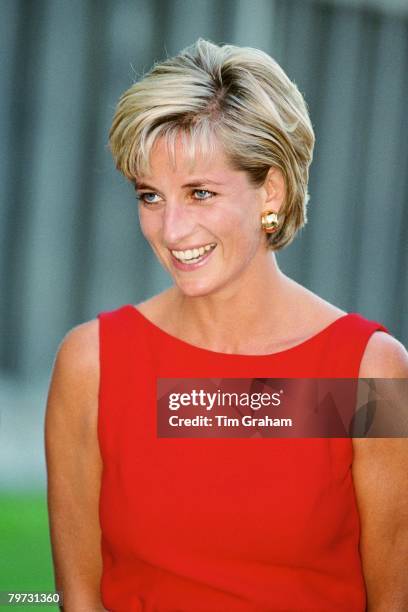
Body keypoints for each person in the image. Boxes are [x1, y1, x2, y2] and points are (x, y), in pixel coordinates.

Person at [45, 38, 408, 611]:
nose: (171, 230)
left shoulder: (367, 370)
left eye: (201, 193)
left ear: (272, 191)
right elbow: (79, 598)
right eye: (151, 196)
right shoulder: (92, 365)